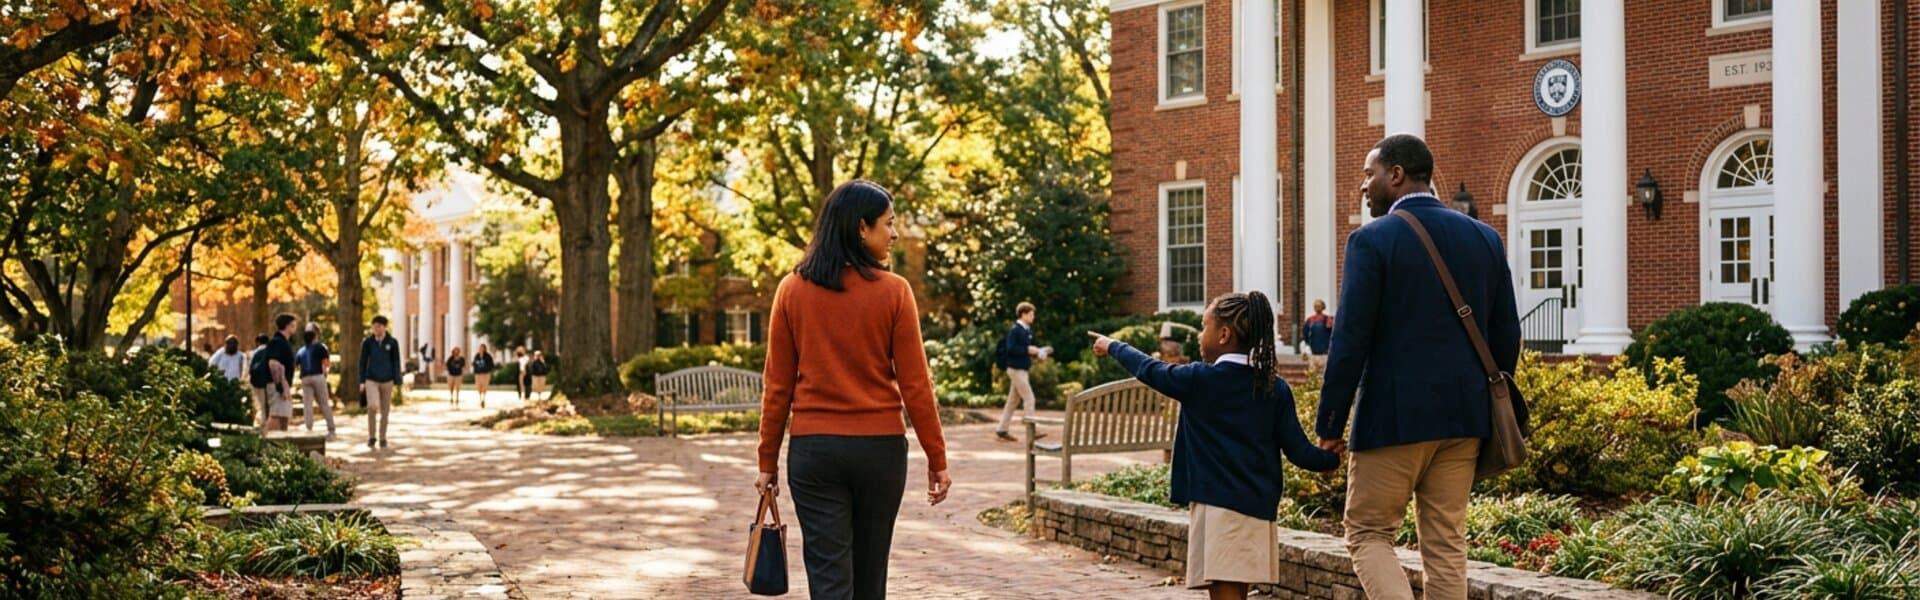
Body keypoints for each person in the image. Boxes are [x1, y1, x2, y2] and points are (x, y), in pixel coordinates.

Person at [1314, 134, 1523, 600]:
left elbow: (1350, 341)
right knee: (1446, 543)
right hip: (1466, 419)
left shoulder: (1372, 240)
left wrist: (1331, 422)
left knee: (1368, 533)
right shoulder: (1485, 237)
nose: (1364, 187)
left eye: (1370, 175)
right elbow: (1507, 334)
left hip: (1394, 418)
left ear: (1397, 174)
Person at [755, 180, 950, 600]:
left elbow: (777, 387)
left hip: (815, 452)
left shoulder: (791, 289)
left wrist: (766, 462)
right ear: (862, 228)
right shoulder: (894, 292)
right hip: (879, 451)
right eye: (888, 224)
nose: (894, 234)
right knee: (869, 576)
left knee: (829, 578)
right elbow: (916, 384)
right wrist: (937, 457)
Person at [1089, 291, 1339, 600]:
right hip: (1255, 506)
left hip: (1220, 507)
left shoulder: (1201, 379)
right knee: (1234, 589)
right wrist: (1330, 459)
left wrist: (1113, 345)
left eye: (1204, 326)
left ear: (1224, 334)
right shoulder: (1275, 387)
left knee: (1225, 590)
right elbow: (1299, 451)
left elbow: (1149, 370)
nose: (1199, 336)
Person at [994, 302, 1048, 443]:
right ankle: (1032, 429)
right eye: (1030, 314)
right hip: (1015, 369)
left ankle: (1002, 430)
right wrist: (1027, 350)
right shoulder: (1015, 330)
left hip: (1022, 369)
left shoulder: (1026, 331)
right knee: (1029, 398)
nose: (1033, 317)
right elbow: (1010, 349)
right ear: (1023, 314)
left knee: (1012, 401)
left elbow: (1024, 350)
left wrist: (1036, 353)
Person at [360, 316, 403, 450]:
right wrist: (361, 381)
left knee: (385, 411)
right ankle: (371, 436)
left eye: (379, 326)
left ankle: (382, 438)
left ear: (385, 327)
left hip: (387, 379)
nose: (376, 329)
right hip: (371, 379)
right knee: (372, 406)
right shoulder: (368, 342)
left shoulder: (392, 342)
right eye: (374, 326)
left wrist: (397, 379)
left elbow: (396, 361)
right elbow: (362, 362)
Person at [261, 314, 301, 432]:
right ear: (288, 325)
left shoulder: (284, 342)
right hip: (277, 385)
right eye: (293, 324)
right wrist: (281, 386)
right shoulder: (277, 342)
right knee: (276, 415)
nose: (295, 326)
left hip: (283, 385)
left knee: (284, 416)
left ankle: (281, 446)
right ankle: (269, 445)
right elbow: (273, 363)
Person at [295, 328, 336, 438]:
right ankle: (331, 428)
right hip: (318, 376)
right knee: (324, 403)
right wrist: (325, 373)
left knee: (307, 404)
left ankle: (309, 428)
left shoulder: (301, 350)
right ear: (314, 337)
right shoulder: (320, 347)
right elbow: (326, 363)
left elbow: (298, 366)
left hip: (305, 378)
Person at [246, 334, 272, 430]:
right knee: (269, 404)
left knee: (261, 405)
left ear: (257, 342)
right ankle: (269, 424)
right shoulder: (271, 351)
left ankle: (263, 424)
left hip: (257, 382)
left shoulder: (253, 353)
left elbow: (249, 369)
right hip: (269, 381)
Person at [1302, 299, 1334, 368]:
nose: (1317, 308)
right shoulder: (1327, 319)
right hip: (1319, 352)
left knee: (1315, 374)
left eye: (1318, 306)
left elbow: (1305, 334)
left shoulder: (1326, 319)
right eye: (1316, 306)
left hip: (1320, 352)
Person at [472, 344, 495, 408]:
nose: (481, 349)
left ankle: (483, 399)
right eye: (480, 348)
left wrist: (488, 370)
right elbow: (474, 364)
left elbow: (491, 365)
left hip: (485, 374)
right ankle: (480, 399)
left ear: (485, 349)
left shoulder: (488, 356)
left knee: (485, 386)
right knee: (478, 386)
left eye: (482, 348)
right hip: (478, 374)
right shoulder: (477, 356)